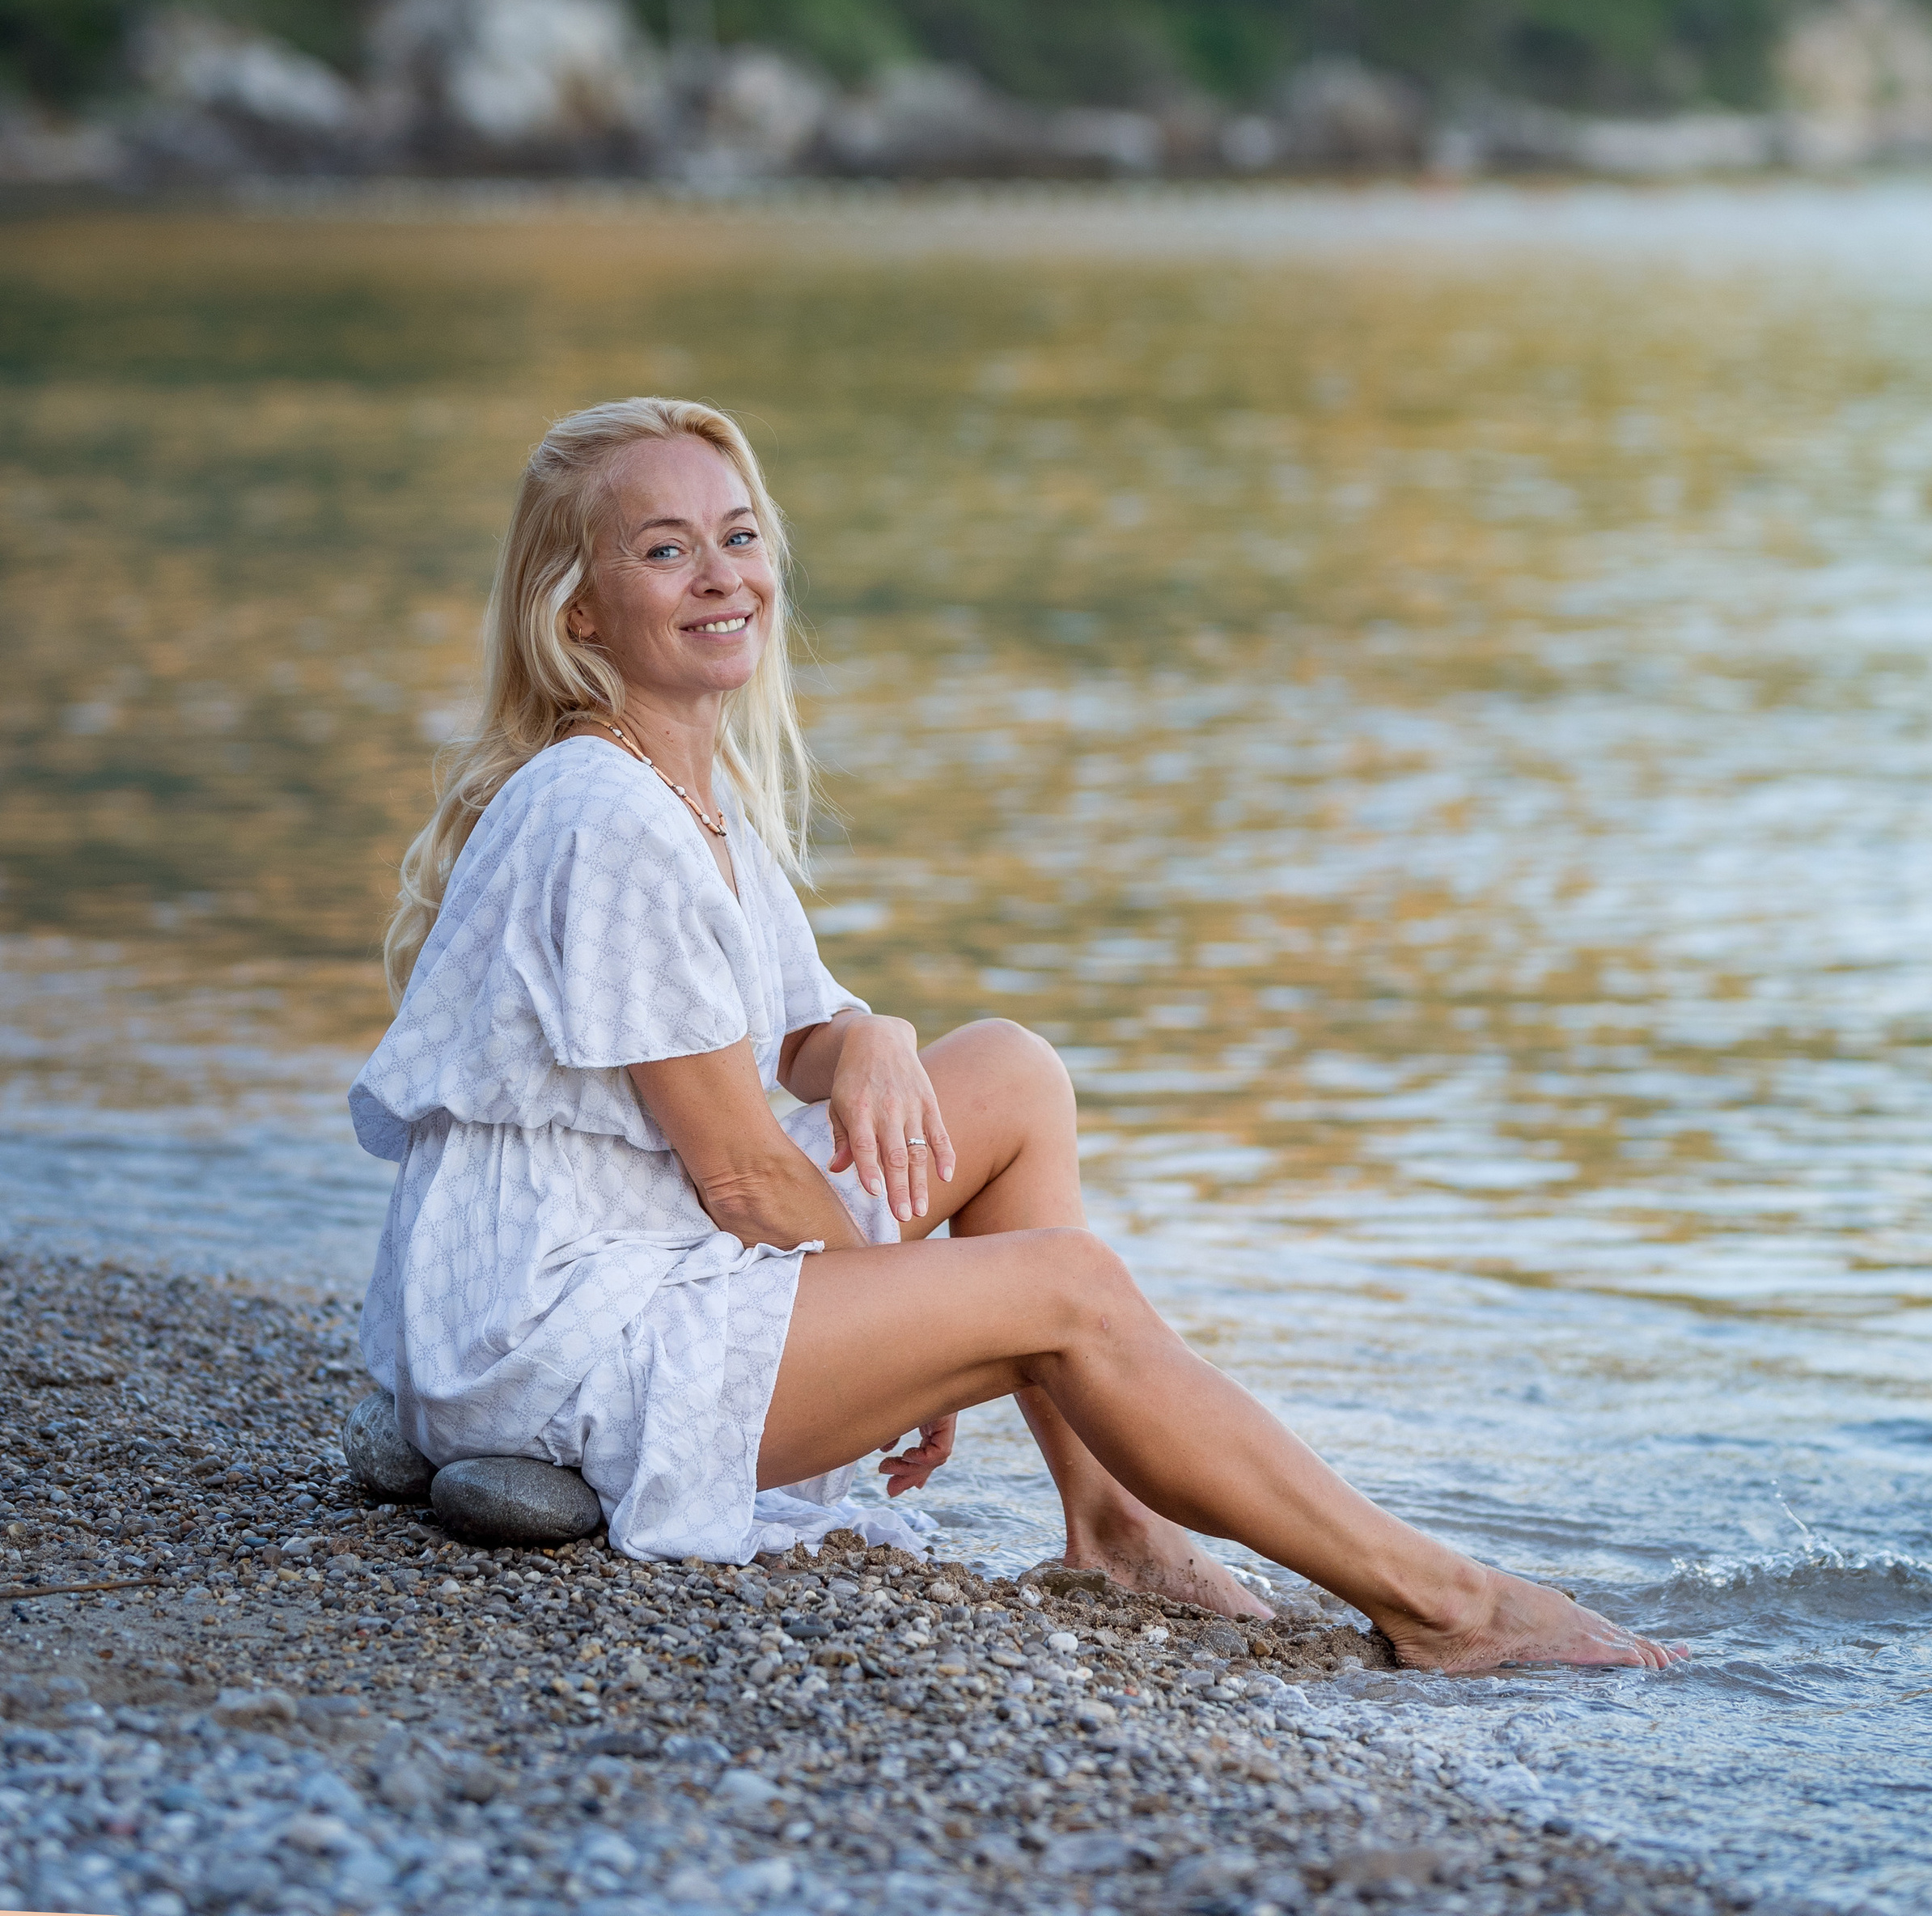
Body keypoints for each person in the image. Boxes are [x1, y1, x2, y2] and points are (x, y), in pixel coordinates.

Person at [352, 396, 1672, 1672]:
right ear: (578, 611)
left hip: (643, 1251)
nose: (721, 576)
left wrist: (873, 1034)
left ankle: (1121, 1529)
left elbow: (794, 1025)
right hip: (552, 1341)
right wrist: (917, 1340)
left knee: (1012, 1075)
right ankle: (1447, 1604)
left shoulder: (688, 792)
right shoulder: (601, 811)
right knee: (1066, 1289)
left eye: (739, 536)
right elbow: (744, 1175)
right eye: (664, 549)